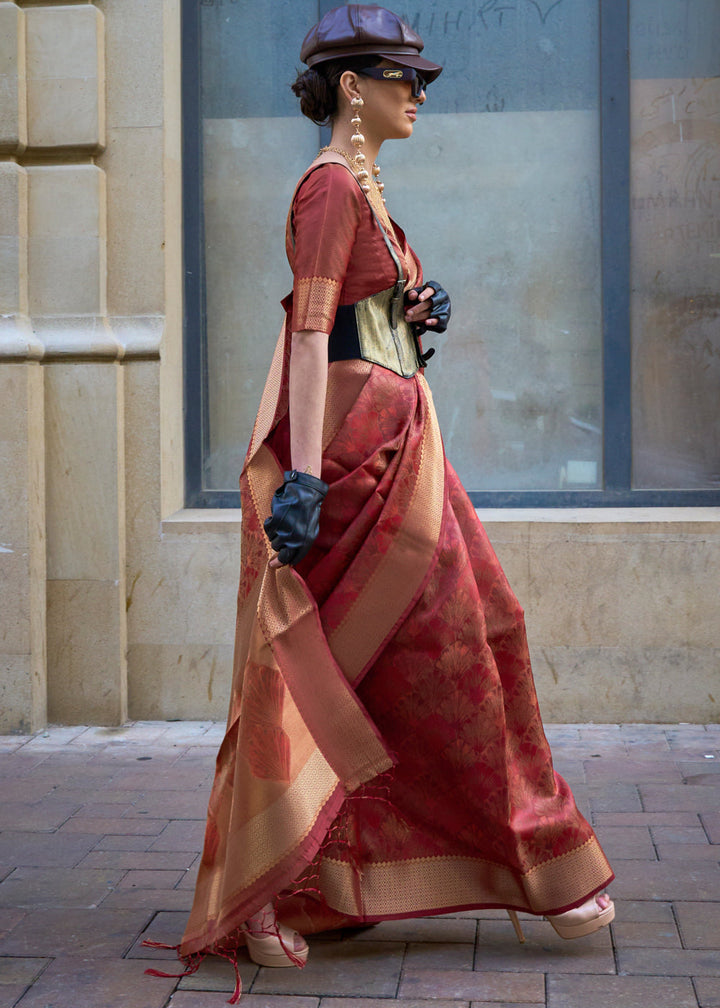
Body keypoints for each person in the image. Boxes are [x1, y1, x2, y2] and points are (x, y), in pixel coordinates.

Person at [173, 4, 615, 1001]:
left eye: (418, 78)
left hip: (402, 452)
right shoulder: (330, 187)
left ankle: (354, 883)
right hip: (353, 470)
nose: (419, 92)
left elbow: (360, 330)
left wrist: (412, 315)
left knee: (442, 651)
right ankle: (273, 896)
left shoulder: (362, 187)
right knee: (331, 673)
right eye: (401, 76)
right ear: (351, 88)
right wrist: (307, 481)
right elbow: (308, 334)